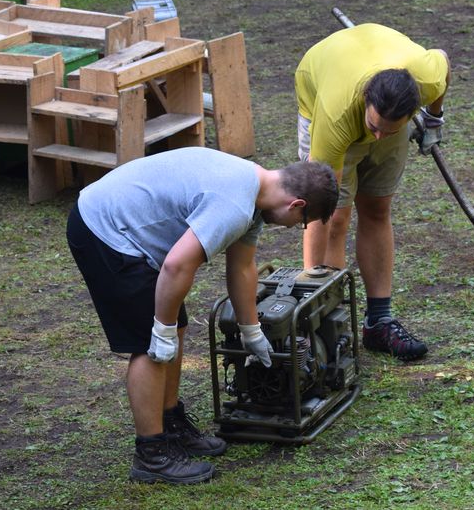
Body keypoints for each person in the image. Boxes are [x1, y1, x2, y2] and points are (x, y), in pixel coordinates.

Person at [66, 147, 338, 485]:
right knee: (149, 343)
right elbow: (177, 265)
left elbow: (242, 267)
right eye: (302, 223)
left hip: (122, 220)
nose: (295, 226)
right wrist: (161, 329)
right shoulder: (235, 204)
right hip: (104, 229)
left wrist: (251, 331)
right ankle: (151, 454)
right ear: (296, 205)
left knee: (176, 326)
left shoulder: (254, 192)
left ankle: (170, 423)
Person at [295, 23, 451, 361]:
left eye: (389, 131)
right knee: (336, 218)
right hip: (327, 90)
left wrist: (434, 121)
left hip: (383, 90)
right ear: (367, 100)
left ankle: (378, 323)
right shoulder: (335, 114)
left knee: (377, 209)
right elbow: (320, 212)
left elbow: (443, 59)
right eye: (374, 128)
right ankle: (327, 326)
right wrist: (310, 295)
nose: (379, 137)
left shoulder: (425, 78)